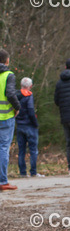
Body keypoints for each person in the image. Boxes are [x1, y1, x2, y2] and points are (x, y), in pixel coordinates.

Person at [0, 50, 21, 190]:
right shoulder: (9, 75)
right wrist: (17, 107)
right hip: (5, 118)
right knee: (3, 148)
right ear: (7, 61)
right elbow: (10, 93)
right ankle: (2, 182)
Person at [15, 77, 42, 178]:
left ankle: (22, 173)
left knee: (21, 150)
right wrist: (35, 123)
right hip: (30, 125)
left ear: (21, 85)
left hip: (20, 125)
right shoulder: (29, 95)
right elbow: (31, 110)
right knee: (33, 150)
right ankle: (33, 172)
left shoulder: (15, 95)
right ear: (30, 86)